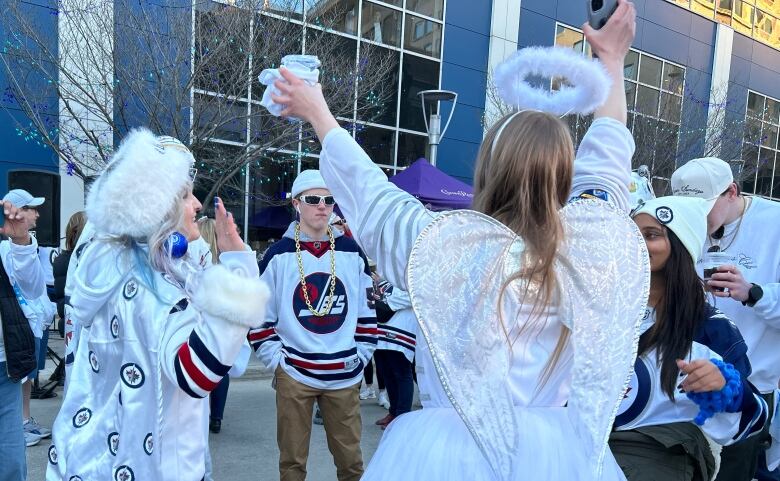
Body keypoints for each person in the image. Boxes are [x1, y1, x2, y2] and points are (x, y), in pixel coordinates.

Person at [267, 1, 650, 479]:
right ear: (564, 177)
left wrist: (318, 112)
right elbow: (608, 158)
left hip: (447, 453)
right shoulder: (588, 251)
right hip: (558, 455)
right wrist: (611, 62)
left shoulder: (444, 248)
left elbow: (371, 194)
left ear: (487, 169)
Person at [46, 129, 269, 481]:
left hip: (106, 458)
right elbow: (198, 373)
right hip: (159, 467)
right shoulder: (155, 291)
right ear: (153, 208)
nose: (197, 205)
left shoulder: (121, 270)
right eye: (185, 195)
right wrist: (239, 267)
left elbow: (229, 360)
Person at [610, 195, 768, 481]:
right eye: (632, 233)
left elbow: (754, 416)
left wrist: (725, 387)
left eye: (651, 235)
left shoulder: (710, 327)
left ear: (682, 244)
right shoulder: (603, 308)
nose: (637, 242)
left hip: (662, 454)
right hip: (586, 443)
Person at [247, 169, 377, 481]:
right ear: (296, 203)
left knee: (352, 464)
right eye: (313, 199)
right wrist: (277, 361)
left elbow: (366, 311)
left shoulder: (350, 252)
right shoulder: (278, 255)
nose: (322, 206)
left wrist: (360, 357)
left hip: (344, 375)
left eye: (329, 200)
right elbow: (257, 314)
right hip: (294, 374)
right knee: (291, 465)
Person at [671, 157, 780, 480]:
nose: (698, 218)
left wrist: (753, 293)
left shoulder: (774, 223)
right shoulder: (682, 226)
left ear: (732, 192)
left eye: (704, 207)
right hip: (684, 382)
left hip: (752, 383)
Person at [1, 189, 53, 446]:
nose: (37, 214)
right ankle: (22, 423)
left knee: (26, 377)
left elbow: (33, 287)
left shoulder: (17, 245)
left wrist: (21, 242)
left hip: (12, 345)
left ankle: (22, 422)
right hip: (13, 339)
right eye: (32, 208)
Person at [197, 217, 231, 434]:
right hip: (219, 323)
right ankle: (216, 416)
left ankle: (199, 411)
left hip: (197, 321)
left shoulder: (193, 260)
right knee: (220, 368)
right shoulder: (226, 264)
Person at [371, 277, 416, 429]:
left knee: (401, 372)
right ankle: (394, 412)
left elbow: (416, 295)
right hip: (380, 329)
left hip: (400, 329)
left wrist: (388, 302)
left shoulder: (411, 269)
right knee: (386, 372)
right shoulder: (385, 269)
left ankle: (402, 416)